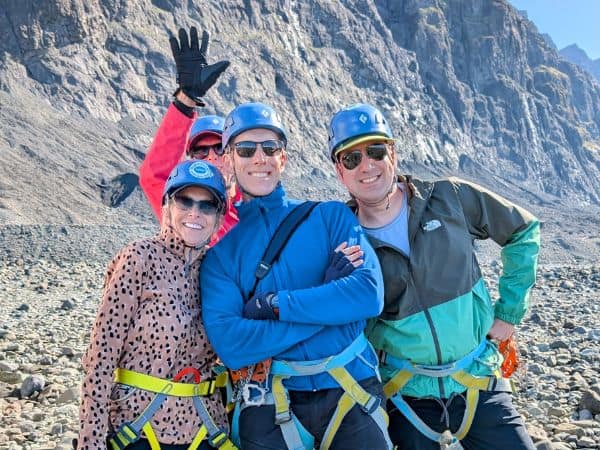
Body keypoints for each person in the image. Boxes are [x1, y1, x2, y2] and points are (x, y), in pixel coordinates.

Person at [328, 103, 541, 450]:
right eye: (351, 158)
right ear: (340, 171)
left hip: (478, 382)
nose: (366, 165)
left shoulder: (448, 198)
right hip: (405, 397)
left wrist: (508, 314)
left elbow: (524, 230)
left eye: (376, 151)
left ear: (392, 154)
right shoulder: (340, 236)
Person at [200, 102, 393, 449]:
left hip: (349, 389)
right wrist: (329, 303)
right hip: (271, 400)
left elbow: (367, 294)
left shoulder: (330, 217)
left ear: (283, 158)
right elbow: (231, 343)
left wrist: (273, 305)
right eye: (246, 150)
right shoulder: (220, 252)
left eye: (269, 148)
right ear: (229, 161)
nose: (259, 158)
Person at [78, 160, 237, 450]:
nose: (194, 212)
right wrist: (91, 441)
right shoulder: (139, 258)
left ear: (219, 216)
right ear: (166, 206)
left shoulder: (220, 270)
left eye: (207, 205)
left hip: (206, 433)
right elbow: (100, 358)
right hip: (136, 431)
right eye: (184, 200)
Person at [139, 26, 239, 243]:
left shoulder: (255, 209)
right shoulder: (181, 206)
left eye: (220, 148)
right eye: (200, 151)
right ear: (190, 160)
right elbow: (154, 175)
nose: (212, 157)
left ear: (234, 154)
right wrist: (186, 98)